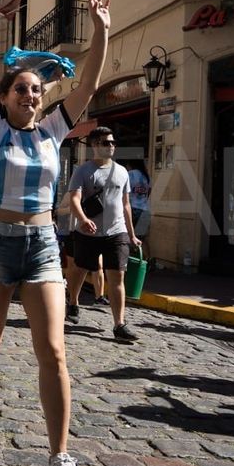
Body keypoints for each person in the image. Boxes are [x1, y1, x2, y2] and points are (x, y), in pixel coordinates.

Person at [0, 0, 109, 466]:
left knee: (53, 349)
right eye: (21, 89)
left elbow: (90, 83)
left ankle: (61, 458)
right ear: (4, 98)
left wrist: (101, 30)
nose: (31, 95)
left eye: (36, 89)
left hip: (44, 244)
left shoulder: (53, 128)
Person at [64, 128, 141, 340]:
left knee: (117, 277)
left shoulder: (122, 172)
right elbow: (74, 199)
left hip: (116, 233)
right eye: (106, 143)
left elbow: (126, 205)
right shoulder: (83, 171)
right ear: (95, 146)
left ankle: (119, 324)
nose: (111, 146)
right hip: (87, 233)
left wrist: (131, 235)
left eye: (113, 142)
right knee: (79, 270)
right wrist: (83, 219)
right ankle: (73, 302)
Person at [126, 159, 151, 257]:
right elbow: (148, 194)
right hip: (145, 211)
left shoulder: (130, 174)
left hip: (133, 210)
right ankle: (147, 262)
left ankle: (127, 265)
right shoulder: (147, 176)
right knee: (142, 240)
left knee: (128, 237)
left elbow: (125, 194)